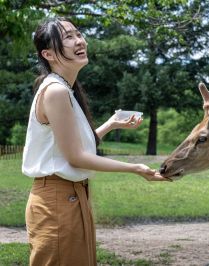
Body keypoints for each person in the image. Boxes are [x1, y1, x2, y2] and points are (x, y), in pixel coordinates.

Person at [22, 17, 169, 266]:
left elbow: (70, 147)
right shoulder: (56, 91)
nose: (79, 41)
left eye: (78, 34)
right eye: (68, 37)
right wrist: (135, 168)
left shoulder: (64, 89)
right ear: (48, 54)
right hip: (57, 201)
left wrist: (111, 124)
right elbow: (75, 157)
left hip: (70, 198)